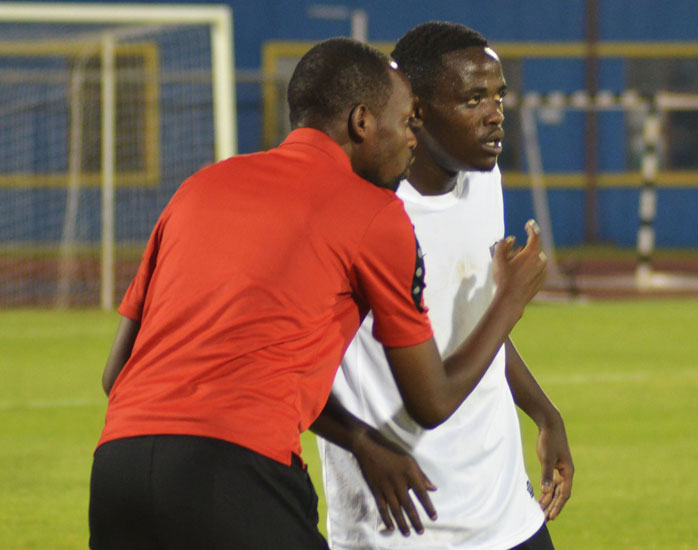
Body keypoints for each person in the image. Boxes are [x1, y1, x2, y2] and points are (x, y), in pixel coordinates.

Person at [88, 37, 547, 549]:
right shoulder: (373, 214)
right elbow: (433, 399)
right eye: (403, 121)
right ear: (362, 123)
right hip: (239, 473)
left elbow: (116, 374)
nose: (411, 138)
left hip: (116, 471)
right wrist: (510, 300)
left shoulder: (200, 186)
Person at [315, 22, 574, 549]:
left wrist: (544, 413)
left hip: (506, 517)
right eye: (473, 99)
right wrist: (512, 299)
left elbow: (472, 323)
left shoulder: (484, 180)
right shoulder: (356, 216)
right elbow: (298, 369)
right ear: (418, 113)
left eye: (498, 96)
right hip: (401, 526)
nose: (495, 114)